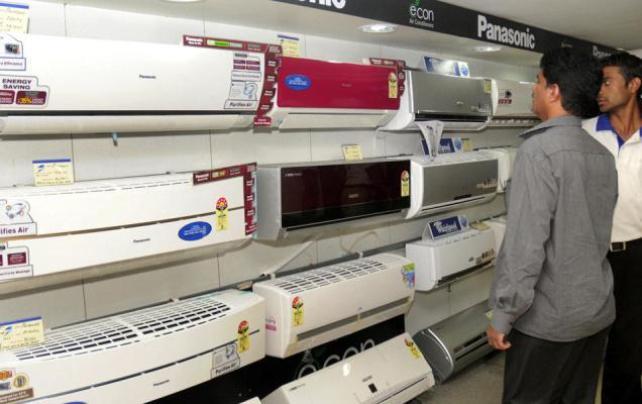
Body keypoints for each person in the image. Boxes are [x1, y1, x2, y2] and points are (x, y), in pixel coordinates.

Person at [487, 47, 618, 403]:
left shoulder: (538, 151)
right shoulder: (602, 155)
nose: (533, 88)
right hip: (594, 311)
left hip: (547, 320)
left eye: (538, 80)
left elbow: (525, 246)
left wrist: (504, 314)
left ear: (554, 91)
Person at [582, 52, 642, 404]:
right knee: (585, 341)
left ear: (634, 85)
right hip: (590, 254)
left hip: (636, 254)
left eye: (607, 82)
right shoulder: (585, 133)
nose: (599, 91)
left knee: (629, 345)